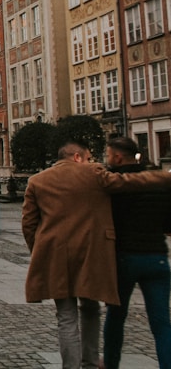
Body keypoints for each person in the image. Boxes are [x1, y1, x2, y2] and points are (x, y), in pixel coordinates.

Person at [22, 140, 171, 369]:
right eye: (90, 157)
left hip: (56, 256)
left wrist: (40, 250)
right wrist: (164, 176)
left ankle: (71, 366)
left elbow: (29, 223)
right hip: (91, 254)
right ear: (78, 157)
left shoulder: (37, 181)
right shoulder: (93, 174)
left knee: (66, 317)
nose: (93, 161)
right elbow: (131, 181)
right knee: (91, 309)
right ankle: (90, 360)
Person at [102, 137, 171, 369]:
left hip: (125, 257)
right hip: (157, 256)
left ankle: (111, 364)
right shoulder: (159, 183)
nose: (107, 159)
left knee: (116, 316)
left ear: (118, 157)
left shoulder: (114, 186)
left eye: (108, 155)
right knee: (161, 323)